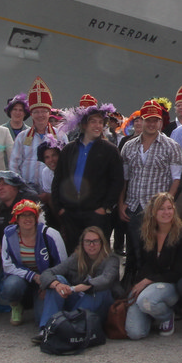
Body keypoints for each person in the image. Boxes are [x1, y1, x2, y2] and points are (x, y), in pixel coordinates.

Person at [52, 103, 124, 252]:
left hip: (96, 213)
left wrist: (105, 208)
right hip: (70, 213)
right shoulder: (68, 150)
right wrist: (60, 208)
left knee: (97, 254)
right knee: (73, 253)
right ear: (84, 125)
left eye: (100, 122)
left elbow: (117, 181)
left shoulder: (110, 151)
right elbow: (58, 179)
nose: (98, 126)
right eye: (93, 122)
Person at [123, 192, 182, 339]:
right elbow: (142, 264)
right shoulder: (145, 233)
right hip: (147, 284)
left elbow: (179, 272)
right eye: (161, 209)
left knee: (146, 301)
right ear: (153, 212)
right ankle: (151, 313)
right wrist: (139, 284)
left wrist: (148, 281)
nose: (166, 212)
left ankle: (166, 316)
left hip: (169, 285)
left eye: (169, 208)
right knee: (134, 333)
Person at [118, 98, 182, 254]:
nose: (152, 124)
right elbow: (124, 179)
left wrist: (165, 206)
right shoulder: (128, 146)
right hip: (133, 207)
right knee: (133, 253)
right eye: (148, 120)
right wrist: (121, 203)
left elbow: (176, 180)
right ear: (142, 120)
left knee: (154, 253)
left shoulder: (171, 146)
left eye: (155, 120)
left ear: (160, 121)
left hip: (156, 210)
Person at [34, 225, 120, 337]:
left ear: (102, 243)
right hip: (78, 301)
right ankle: (47, 328)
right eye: (88, 241)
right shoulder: (76, 258)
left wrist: (81, 287)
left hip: (99, 304)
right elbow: (47, 273)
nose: (91, 245)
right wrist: (57, 285)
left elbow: (106, 279)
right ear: (82, 244)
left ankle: (68, 326)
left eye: (95, 241)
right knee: (58, 279)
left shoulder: (111, 259)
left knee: (99, 291)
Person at [0, 199, 67, 326]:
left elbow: (62, 264)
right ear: (16, 219)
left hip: (46, 278)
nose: (27, 219)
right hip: (23, 277)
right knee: (11, 286)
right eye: (23, 215)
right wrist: (33, 276)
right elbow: (7, 266)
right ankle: (16, 305)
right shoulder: (9, 235)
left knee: (42, 320)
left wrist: (48, 283)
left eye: (31, 215)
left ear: (36, 217)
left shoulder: (51, 234)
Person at [11, 79, 57, 191]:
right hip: (27, 190)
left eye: (44, 111)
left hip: (53, 189)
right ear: (31, 114)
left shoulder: (59, 135)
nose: (40, 115)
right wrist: (20, 188)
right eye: (36, 112)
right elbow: (14, 165)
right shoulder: (22, 137)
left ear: (49, 113)